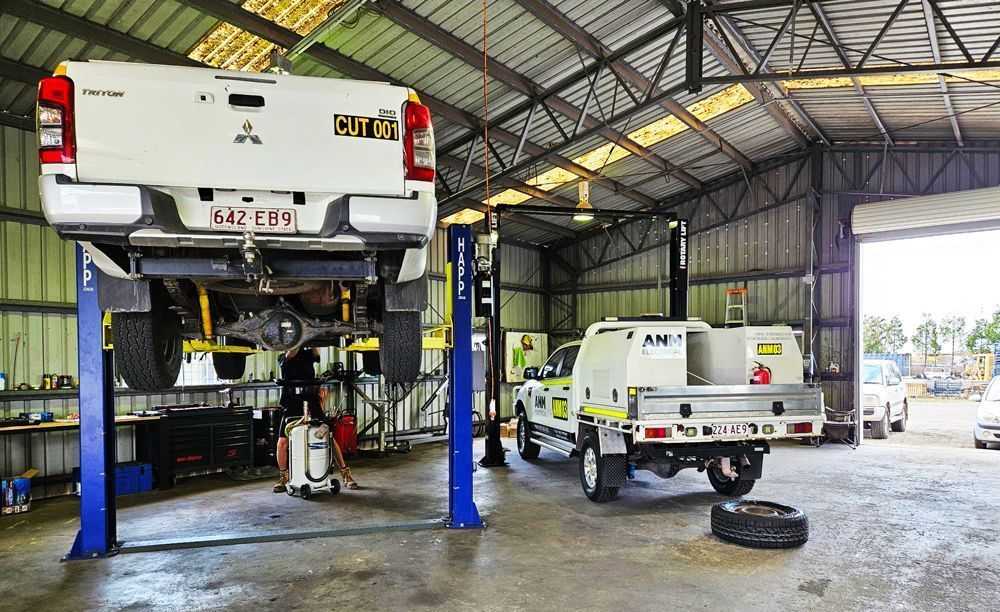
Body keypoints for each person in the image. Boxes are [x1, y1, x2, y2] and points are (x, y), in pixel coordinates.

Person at [272, 347, 359, 492]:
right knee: (282, 443)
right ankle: (283, 476)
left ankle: (345, 473)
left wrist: (313, 337)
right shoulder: (283, 357)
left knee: (329, 437)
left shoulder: (308, 355)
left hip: (312, 402)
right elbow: (291, 353)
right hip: (292, 403)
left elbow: (316, 352)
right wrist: (298, 337)